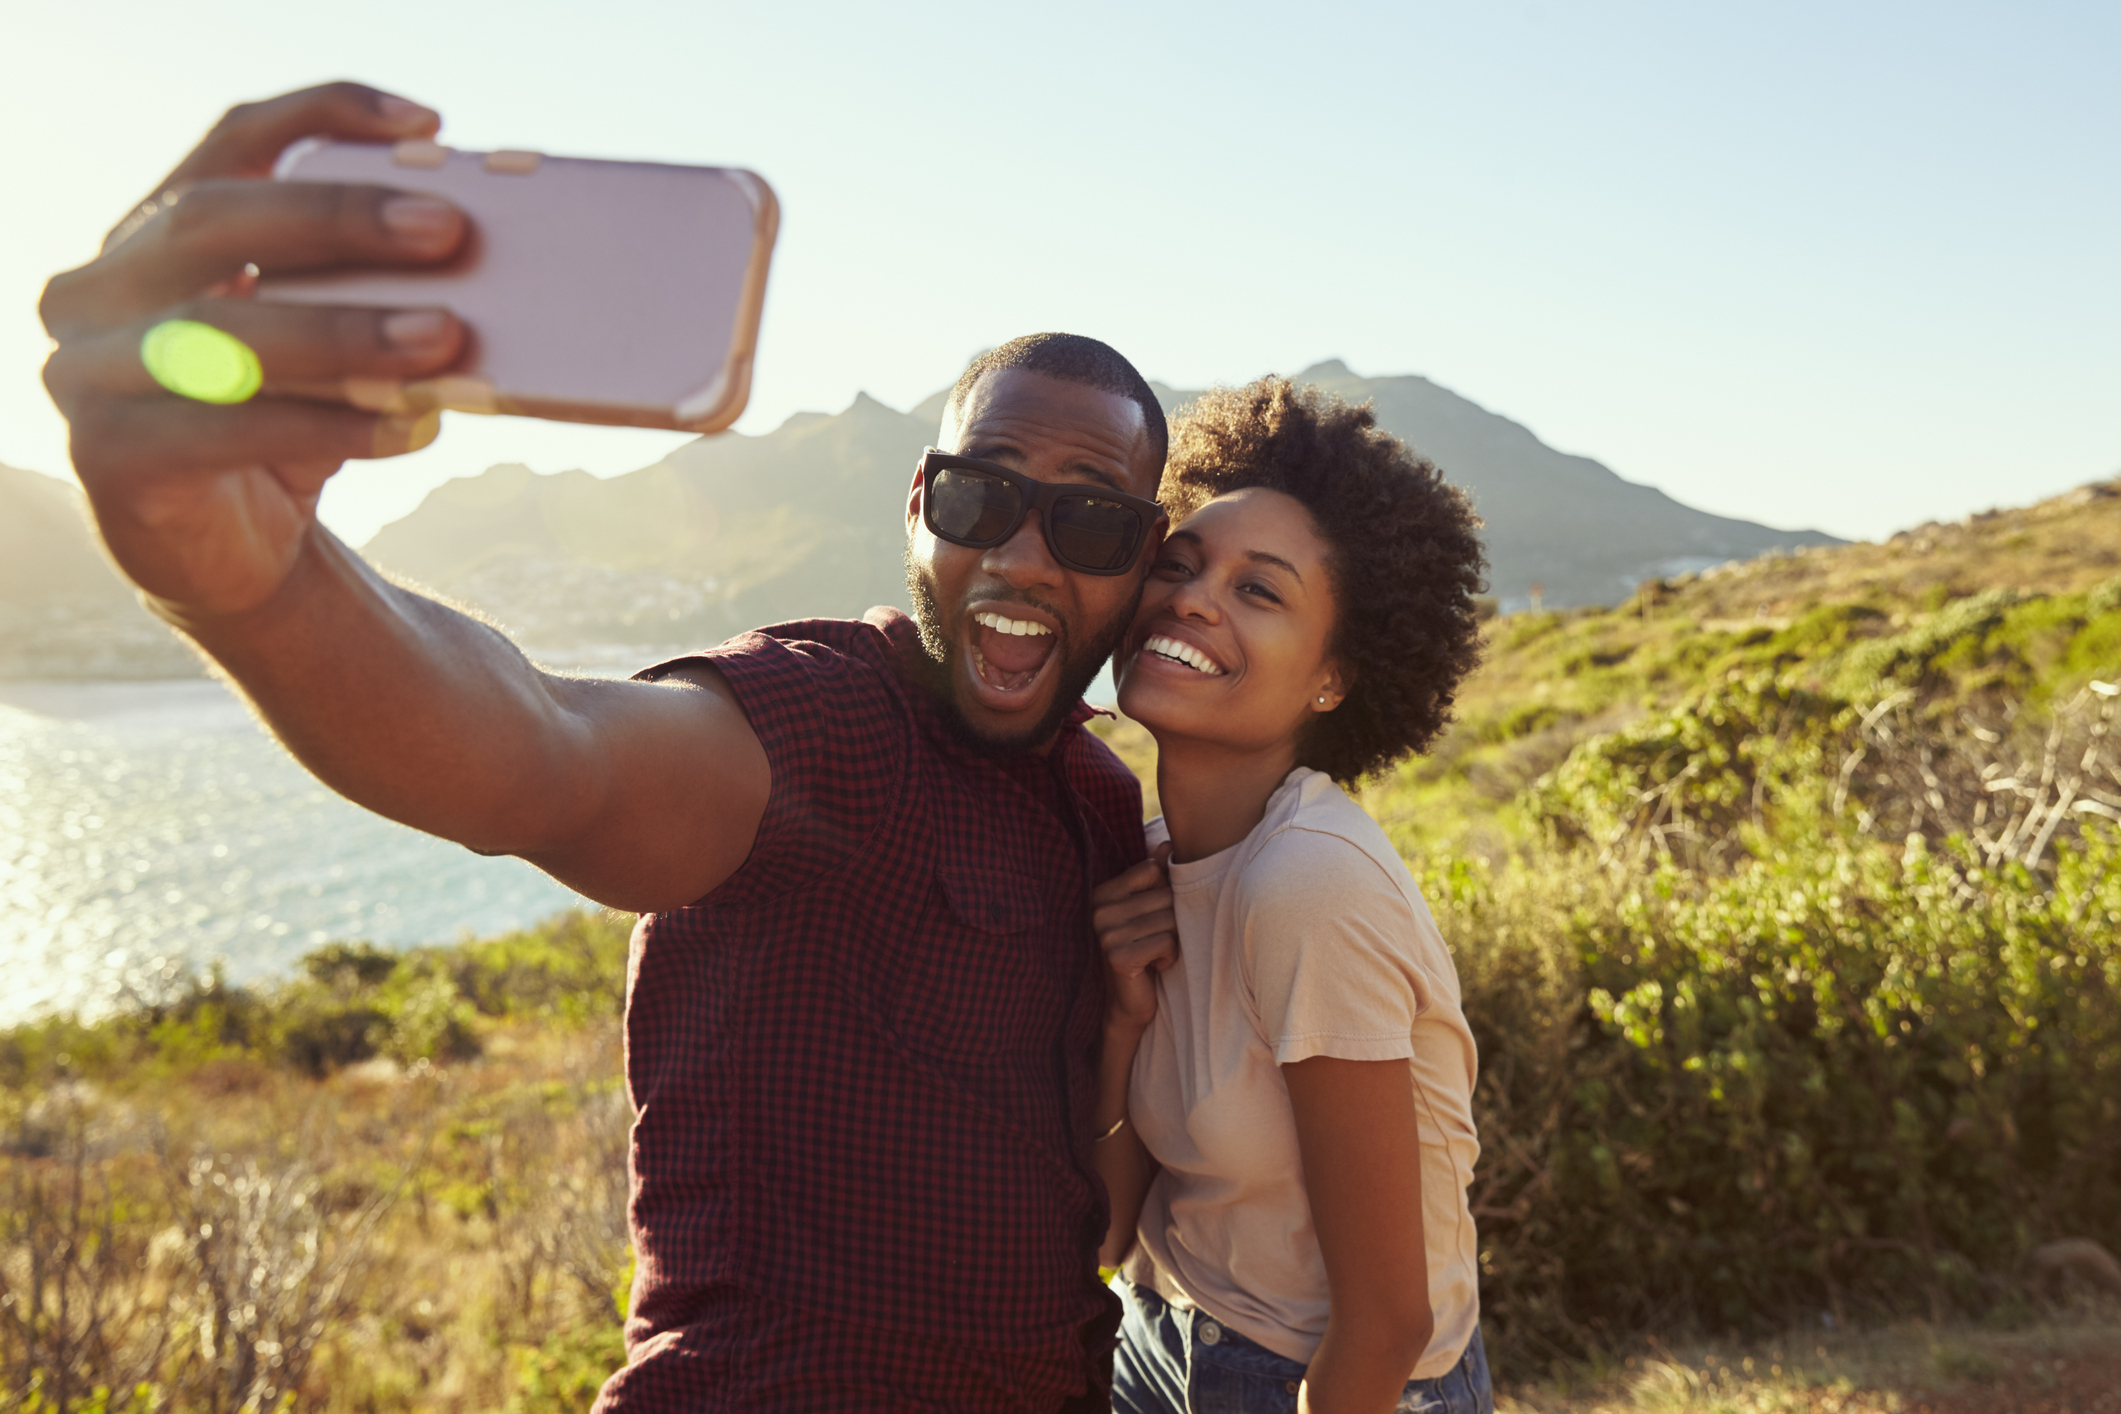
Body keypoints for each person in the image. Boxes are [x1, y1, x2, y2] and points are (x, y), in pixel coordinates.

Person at [40, 81, 1172, 1411]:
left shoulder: (1099, 800)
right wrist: (253, 587)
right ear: (922, 505)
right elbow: (543, 749)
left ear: (1145, 559)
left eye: (1090, 524)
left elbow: (1091, 1231)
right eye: (985, 498)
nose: (1024, 559)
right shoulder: (824, 721)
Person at [1086, 377, 1491, 1414]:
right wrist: (1123, 1022)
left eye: (1259, 591)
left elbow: (1386, 1322)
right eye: (1178, 564)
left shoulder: (1308, 884)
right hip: (1156, 1337)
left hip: (1310, 1381)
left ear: (1333, 678)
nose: (1192, 597)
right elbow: (1108, 1235)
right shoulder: (1154, 860)